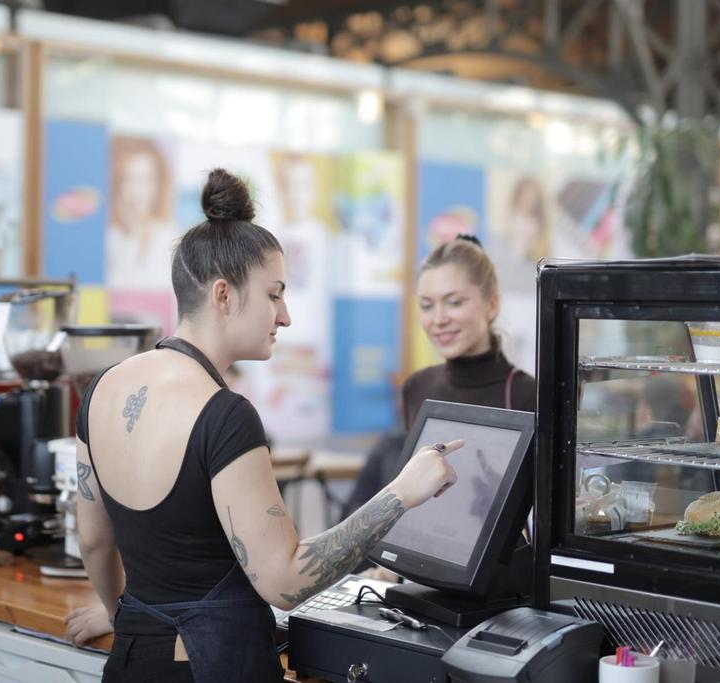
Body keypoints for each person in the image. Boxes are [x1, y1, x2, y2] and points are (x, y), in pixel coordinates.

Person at [71, 169, 463, 682]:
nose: (286, 315)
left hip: (133, 662)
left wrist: (118, 611)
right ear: (223, 296)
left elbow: (95, 542)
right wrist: (400, 495)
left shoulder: (102, 389)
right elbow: (285, 580)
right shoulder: (223, 415)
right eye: (274, 294)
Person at [342, 234, 535, 523]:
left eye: (454, 302)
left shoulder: (528, 395)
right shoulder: (417, 387)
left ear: (492, 305)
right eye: (427, 305)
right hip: (425, 558)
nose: (438, 319)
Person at [105, 136, 177, 289]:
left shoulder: (169, 237)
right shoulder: (110, 238)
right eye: (129, 179)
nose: (138, 191)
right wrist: (132, 233)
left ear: (158, 184)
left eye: (145, 179)